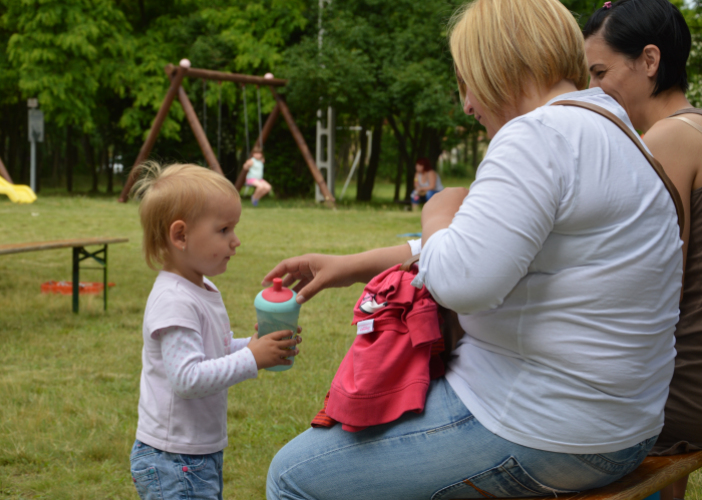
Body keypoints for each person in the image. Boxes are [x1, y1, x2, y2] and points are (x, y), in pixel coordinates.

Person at [262, 0, 684, 498]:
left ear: (496, 66)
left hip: (545, 432)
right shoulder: (620, 136)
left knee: (293, 478)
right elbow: (510, 244)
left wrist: (437, 210)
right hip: (624, 430)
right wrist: (353, 266)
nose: (466, 104)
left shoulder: (536, 135)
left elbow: (464, 282)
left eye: (466, 81)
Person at [584, 2, 701, 499]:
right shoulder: (695, 126)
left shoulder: (666, 139)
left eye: (601, 72)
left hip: (687, 392)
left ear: (649, 61)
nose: (593, 90)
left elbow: (653, 285)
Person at [128, 163, 301, 500]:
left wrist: (251, 345)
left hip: (192, 453)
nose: (235, 241)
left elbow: (209, 352)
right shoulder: (174, 299)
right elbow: (188, 377)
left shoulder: (198, 286)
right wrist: (252, 358)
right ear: (180, 236)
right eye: (223, 230)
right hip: (174, 459)